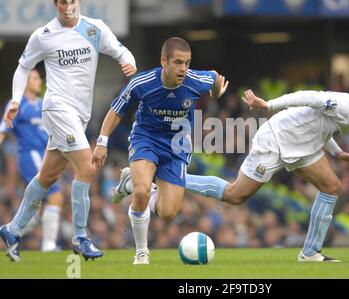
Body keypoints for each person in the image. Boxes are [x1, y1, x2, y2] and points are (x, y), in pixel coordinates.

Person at [184, 90, 349, 262]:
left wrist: (337, 152)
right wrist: (268, 105)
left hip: (302, 147)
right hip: (277, 139)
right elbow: (309, 98)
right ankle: (176, 179)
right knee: (235, 194)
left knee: (332, 186)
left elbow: (323, 126)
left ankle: (311, 253)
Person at [0, 0, 136, 262]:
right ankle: (80, 238)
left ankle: (12, 229)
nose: (67, 6)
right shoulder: (44, 35)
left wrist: (129, 63)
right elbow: (23, 66)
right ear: (56, 4)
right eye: (62, 1)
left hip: (80, 114)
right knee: (86, 167)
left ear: (78, 2)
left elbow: (122, 52)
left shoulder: (95, 29)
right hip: (57, 108)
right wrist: (16, 99)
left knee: (48, 175)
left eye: (71, 0)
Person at [92, 37, 228, 265]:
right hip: (146, 138)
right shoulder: (142, 83)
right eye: (178, 62)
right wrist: (102, 142)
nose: (183, 68)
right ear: (164, 61)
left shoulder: (196, 80)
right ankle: (142, 251)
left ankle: (127, 183)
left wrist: (216, 94)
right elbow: (115, 111)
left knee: (167, 212)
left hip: (177, 146)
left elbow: (214, 77)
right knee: (142, 192)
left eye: (187, 62)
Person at [0, 69, 64, 252]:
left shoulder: (43, 104)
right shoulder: (18, 105)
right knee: (56, 197)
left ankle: (12, 234)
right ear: (26, 82)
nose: (39, 81)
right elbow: (3, 129)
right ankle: (49, 246)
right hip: (30, 156)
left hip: (46, 156)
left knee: (44, 209)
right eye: (35, 78)